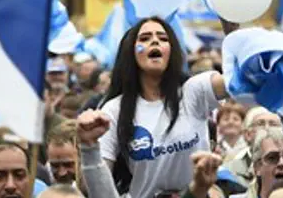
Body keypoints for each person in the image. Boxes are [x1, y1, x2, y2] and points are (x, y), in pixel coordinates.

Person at [97, 17, 228, 197]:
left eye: (163, 38)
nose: (155, 41)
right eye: (144, 38)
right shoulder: (114, 110)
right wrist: (88, 147)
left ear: (171, 52)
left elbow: (237, 82)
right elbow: (98, 184)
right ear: (131, 52)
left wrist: (231, 31)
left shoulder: (193, 92)